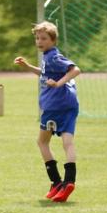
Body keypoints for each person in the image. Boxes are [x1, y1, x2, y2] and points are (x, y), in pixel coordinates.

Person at [14, 21, 81, 202]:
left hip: (54, 106)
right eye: (37, 38)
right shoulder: (48, 57)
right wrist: (28, 67)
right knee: (67, 142)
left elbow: (75, 70)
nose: (39, 41)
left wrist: (58, 83)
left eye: (44, 38)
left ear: (53, 40)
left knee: (42, 142)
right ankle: (68, 182)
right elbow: (46, 74)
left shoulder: (53, 57)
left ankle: (57, 182)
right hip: (69, 104)